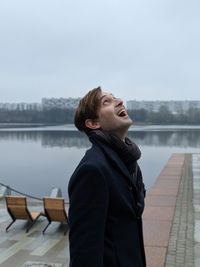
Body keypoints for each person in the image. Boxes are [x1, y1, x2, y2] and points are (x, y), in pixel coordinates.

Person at [68, 86, 146, 267]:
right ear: (93, 123)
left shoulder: (129, 161)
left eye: (115, 97)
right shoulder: (92, 170)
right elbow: (83, 251)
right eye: (107, 102)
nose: (119, 101)